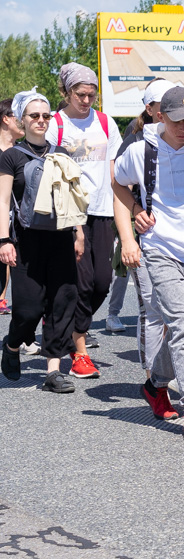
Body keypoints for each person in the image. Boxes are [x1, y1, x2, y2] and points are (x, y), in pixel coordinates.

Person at [113, 87, 184, 440]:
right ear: (160, 117)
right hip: (159, 249)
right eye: (178, 120)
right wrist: (132, 228)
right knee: (180, 324)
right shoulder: (140, 151)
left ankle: (155, 384)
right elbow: (118, 185)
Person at [0, 88, 84, 392]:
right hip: (26, 241)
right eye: (34, 115)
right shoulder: (12, 156)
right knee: (27, 309)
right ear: (22, 119)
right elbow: (2, 200)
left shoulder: (61, 154)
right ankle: (11, 346)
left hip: (61, 238)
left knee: (62, 302)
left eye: (45, 115)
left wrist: (79, 233)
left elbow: (73, 198)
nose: (40, 120)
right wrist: (3, 240)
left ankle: (53, 370)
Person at [46, 62, 123, 378]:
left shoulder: (105, 123)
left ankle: (62, 322)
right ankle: (79, 352)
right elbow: (49, 171)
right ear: (65, 92)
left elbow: (115, 172)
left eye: (92, 95)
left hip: (103, 211)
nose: (87, 101)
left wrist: (123, 216)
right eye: (80, 94)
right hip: (69, 213)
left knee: (103, 282)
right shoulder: (55, 124)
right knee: (83, 281)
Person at [106, 78, 175, 335]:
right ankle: (114, 314)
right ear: (150, 109)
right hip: (142, 225)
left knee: (180, 302)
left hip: (174, 231)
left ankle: (175, 357)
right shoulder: (135, 140)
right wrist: (135, 213)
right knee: (147, 300)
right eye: (163, 104)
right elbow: (118, 184)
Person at [0, 98, 24, 318]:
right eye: (20, 116)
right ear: (6, 119)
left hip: (14, 228)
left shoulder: (22, 153)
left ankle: (22, 339)